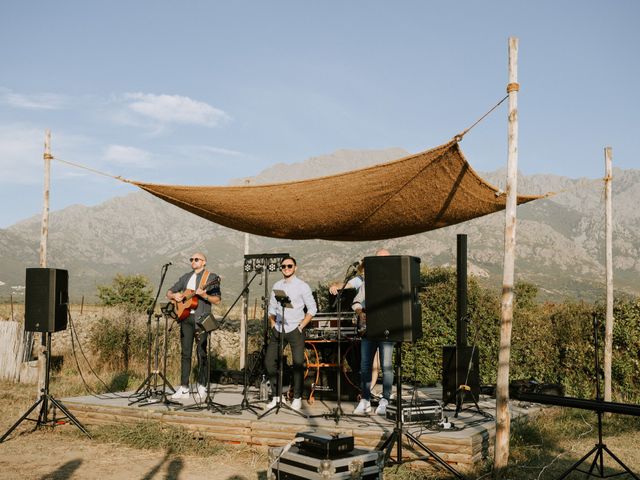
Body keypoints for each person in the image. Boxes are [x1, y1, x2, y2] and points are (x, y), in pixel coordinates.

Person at [264, 256, 317, 411]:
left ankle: (297, 397)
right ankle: (276, 396)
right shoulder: (277, 285)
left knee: (298, 364)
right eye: (283, 266)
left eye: (289, 266)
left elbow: (312, 309)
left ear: (295, 267)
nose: (286, 268)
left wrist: (301, 326)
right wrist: (273, 324)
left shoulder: (302, 286)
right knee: (269, 362)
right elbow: (272, 308)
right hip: (278, 329)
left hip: (295, 329)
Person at [166, 253, 221, 400]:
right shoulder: (185, 277)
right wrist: (174, 296)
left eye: (196, 259)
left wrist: (204, 295)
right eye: (191, 259)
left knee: (201, 352)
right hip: (185, 317)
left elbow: (217, 300)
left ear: (204, 262)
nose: (193, 261)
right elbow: (169, 292)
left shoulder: (211, 278)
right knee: (185, 353)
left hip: (201, 319)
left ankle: (202, 385)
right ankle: (184, 388)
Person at [352, 248, 395, 416]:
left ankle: (385, 399)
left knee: (386, 366)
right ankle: (365, 400)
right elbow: (356, 302)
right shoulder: (367, 282)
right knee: (365, 366)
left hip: (386, 330)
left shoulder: (394, 281)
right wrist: (361, 313)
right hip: (368, 330)